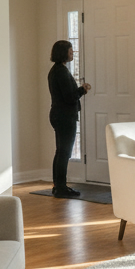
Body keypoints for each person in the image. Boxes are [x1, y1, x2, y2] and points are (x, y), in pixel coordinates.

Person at [48, 40, 91, 198]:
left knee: (60, 152)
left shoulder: (56, 70)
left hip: (59, 115)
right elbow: (69, 97)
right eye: (70, 52)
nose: (72, 54)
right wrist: (82, 90)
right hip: (65, 116)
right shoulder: (61, 72)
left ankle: (58, 185)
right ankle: (61, 187)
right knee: (64, 153)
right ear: (63, 53)